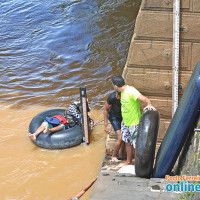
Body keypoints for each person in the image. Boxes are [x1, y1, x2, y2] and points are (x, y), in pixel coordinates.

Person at [111, 75, 156, 166]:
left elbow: (143, 98)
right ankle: (129, 161)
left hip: (134, 124)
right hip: (125, 123)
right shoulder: (121, 92)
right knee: (128, 143)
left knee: (138, 145)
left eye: (112, 85)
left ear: (115, 86)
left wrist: (149, 104)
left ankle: (143, 164)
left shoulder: (131, 91)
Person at [28, 101, 94, 141]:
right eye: (81, 106)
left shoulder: (83, 114)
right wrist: (80, 117)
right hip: (62, 119)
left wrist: (91, 121)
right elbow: (74, 112)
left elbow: (88, 119)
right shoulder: (73, 107)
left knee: (61, 126)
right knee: (45, 123)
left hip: (68, 125)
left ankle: (49, 130)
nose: (81, 108)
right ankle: (34, 135)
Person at [104, 91, 125, 162]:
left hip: (124, 116)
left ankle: (121, 155)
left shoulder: (127, 98)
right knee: (120, 137)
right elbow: (106, 109)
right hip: (114, 117)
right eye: (116, 95)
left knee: (124, 137)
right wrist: (106, 125)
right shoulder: (112, 97)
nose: (117, 96)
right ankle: (114, 156)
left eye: (118, 96)